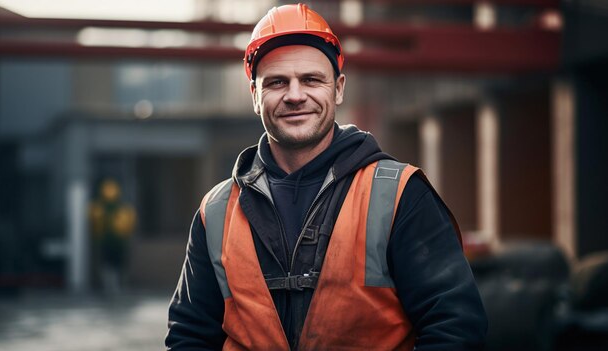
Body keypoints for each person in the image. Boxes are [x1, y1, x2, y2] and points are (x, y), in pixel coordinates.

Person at [166, 3, 487, 350]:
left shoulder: (398, 196)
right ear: (255, 97)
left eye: (311, 79)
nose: (294, 95)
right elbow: (190, 336)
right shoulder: (215, 213)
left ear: (338, 89)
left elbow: (456, 328)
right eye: (276, 82)